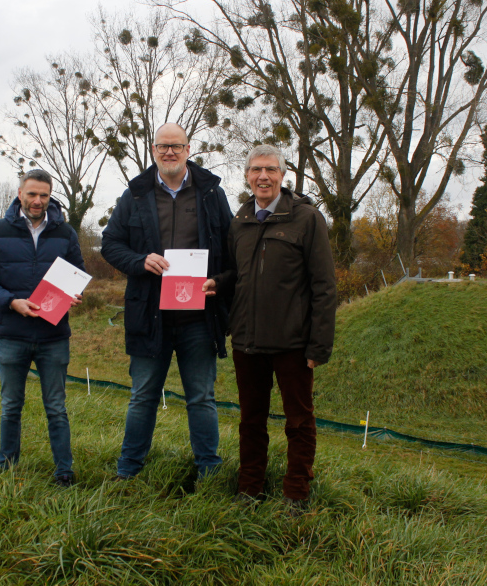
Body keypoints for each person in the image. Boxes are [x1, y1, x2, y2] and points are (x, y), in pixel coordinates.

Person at [203, 144, 338, 515]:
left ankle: (296, 492)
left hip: (293, 343)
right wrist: (217, 282)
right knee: (251, 421)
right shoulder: (240, 221)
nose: (263, 176)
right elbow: (238, 274)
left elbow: (324, 286)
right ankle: (250, 488)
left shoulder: (307, 219)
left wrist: (318, 346)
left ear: (283, 176)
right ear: (247, 176)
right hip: (247, 340)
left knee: (299, 421)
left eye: (271, 170)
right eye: (256, 170)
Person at [101, 122, 233, 481]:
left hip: (199, 317)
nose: (169, 152)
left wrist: (219, 282)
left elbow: (233, 248)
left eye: (176, 146)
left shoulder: (210, 193)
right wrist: (140, 261)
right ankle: (128, 471)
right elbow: (111, 244)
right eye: (162, 147)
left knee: (201, 397)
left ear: (189, 149)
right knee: (143, 396)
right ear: (154, 151)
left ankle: (208, 470)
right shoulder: (136, 195)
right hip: (150, 314)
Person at [0, 169, 84, 486]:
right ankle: (8, 468)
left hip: (53, 337)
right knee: (10, 407)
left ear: (50, 197)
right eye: (32, 194)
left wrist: (75, 294)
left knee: (57, 408)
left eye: (44, 195)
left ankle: (64, 471)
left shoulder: (66, 234)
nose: (37, 201)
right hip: (12, 335)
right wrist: (10, 302)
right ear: (19, 193)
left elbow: (78, 276)